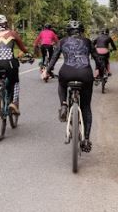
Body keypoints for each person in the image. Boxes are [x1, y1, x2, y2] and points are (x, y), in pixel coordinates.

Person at [42, 19, 104, 152]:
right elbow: (98, 59)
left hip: (67, 72)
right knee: (86, 107)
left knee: (61, 84)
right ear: (81, 31)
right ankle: (86, 139)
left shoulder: (62, 41)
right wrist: (100, 71)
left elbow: (54, 57)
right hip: (85, 74)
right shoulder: (87, 41)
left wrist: (48, 71)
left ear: (68, 32)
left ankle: (64, 104)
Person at [0, 14, 29, 116]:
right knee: (15, 81)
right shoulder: (12, 34)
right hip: (9, 64)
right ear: (5, 23)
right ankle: (14, 103)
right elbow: (23, 48)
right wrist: (28, 53)